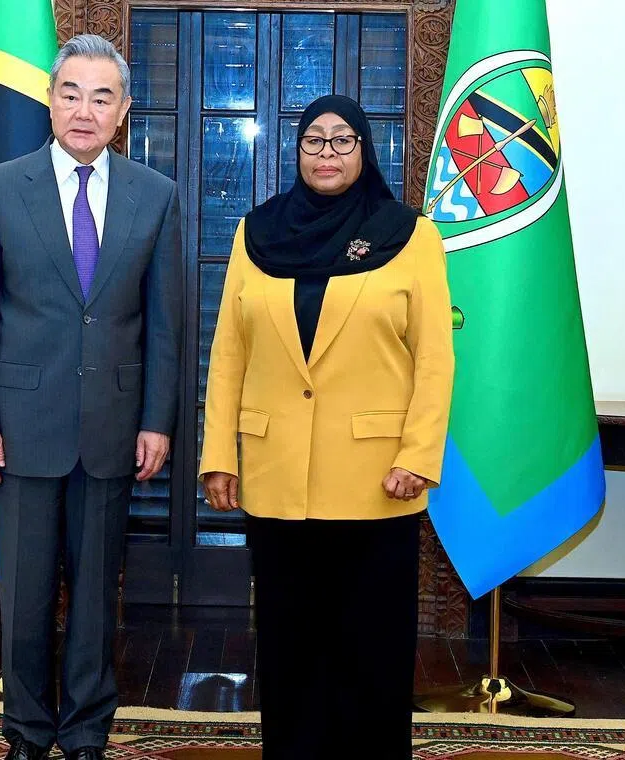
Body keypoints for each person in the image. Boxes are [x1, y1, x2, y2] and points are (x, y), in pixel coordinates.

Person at [199, 94, 455, 759]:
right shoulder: (256, 234)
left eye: (343, 141)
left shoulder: (409, 235)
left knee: (370, 648)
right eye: (315, 141)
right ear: (297, 150)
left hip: (378, 481)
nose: (328, 154)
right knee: (288, 644)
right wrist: (218, 454)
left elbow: (434, 357)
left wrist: (419, 453)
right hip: (277, 476)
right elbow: (229, 352)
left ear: (365, 150)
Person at [0, 34, 183, 760]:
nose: (84, 110)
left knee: (93, 598)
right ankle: (25, 732)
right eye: (70, 93)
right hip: (19, 427)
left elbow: (167, 324)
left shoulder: (157, 196)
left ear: (123, 111)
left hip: (115, 426)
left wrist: (158, 421)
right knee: (23, 598)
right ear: (50, 101)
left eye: (101, 96)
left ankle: (86, 732)